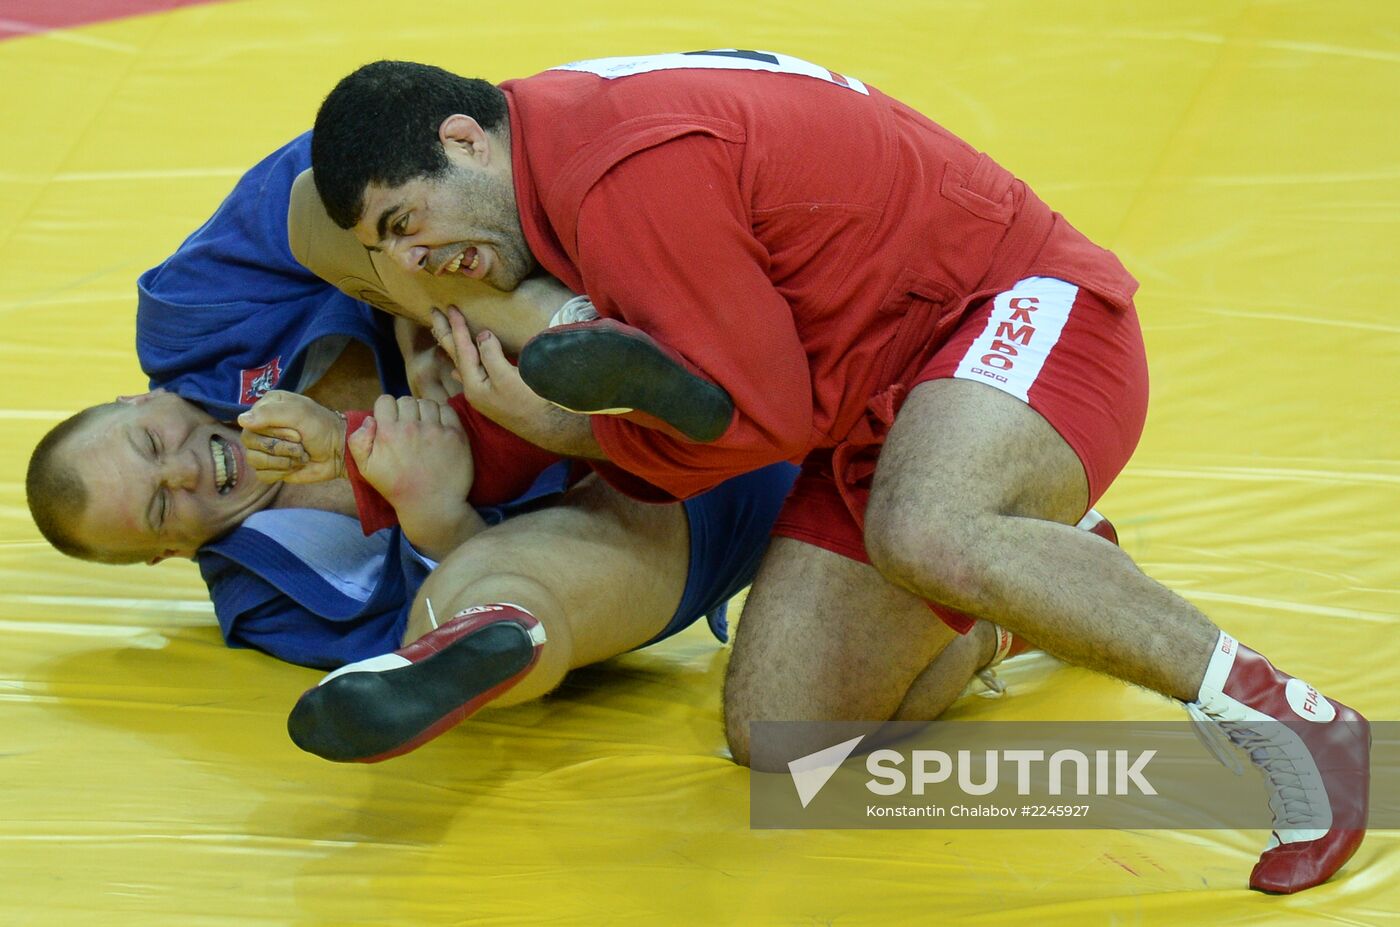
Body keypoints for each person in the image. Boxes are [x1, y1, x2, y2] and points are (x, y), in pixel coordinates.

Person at [305, 51, 1370, 893]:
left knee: (924, 527)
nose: (412, 261)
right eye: (384, 249)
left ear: (463, 141)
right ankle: (1025, 586)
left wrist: (578, 430)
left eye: (408, 223)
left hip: (1014, 312)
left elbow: (760, 423)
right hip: (873, 404)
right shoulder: (544, 168)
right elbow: (748, 417)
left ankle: (1296, 724)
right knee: (780, 737)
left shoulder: (618, 167)